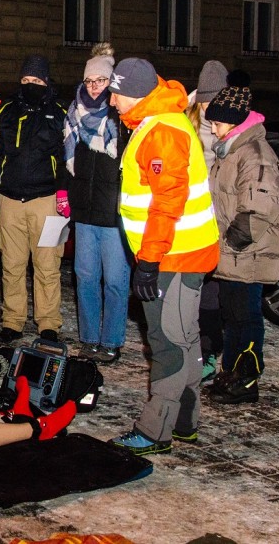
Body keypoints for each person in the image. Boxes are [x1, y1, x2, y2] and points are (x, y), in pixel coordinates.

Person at [106, 58, 220, 455]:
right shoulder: (158, 122)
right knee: (186, 339)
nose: (112, 100)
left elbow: (167, 202)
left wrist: (149, 261)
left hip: (172, 256)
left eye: (116, 92)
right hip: (184, 253)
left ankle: (155, 431)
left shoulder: (160, 131)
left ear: (134, 93)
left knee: (167, 341)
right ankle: (185, 421)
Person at [205, 71, 279, 405]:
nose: (212, 129)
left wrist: (228, 246)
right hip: (234, 255)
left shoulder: (254, 154)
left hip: (247, 255)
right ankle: (231, 375)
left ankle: (246, 381)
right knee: (234, 318)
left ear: (233, 123)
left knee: (245, 319)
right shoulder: (233, 150)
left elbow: (256, 211)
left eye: (217, 123)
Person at [0, 55, 69, 343]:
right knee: (12, 266)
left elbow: (68, 161)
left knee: (48, 266)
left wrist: (65, 199)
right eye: (26, 80)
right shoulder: (5, 111)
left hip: (49, 203)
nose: (31, 85)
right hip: (10, 203)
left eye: (37, 81)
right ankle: (13, 321)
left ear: (46, 82)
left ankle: (48, 323)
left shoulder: (60, 113)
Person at [64, 43, 131, 364]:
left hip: (114, 216)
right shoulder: (73, 114)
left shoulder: (122, 120)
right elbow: (64, 158)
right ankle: (89, 339)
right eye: (89, 81)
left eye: (100, 81)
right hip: (84, 212)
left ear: (111, 82)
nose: (93, 87)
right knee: (85, 277)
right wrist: (64, 195)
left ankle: (112, 340)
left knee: (116, 281)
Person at [187, 60, 230, 382]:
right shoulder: (185, 121)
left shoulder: (229, 129)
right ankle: (196, 350)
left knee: (212, 295)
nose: (205, 107)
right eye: (202, 99)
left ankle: (211, 352)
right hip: (190, 219)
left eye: (211, 100)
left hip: (218, 221)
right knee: (190, 293)